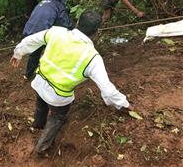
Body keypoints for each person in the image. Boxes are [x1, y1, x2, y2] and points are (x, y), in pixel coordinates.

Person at [10, 10, 132, 156]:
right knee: (57, 117)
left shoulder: (56, 32)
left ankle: (37, 124)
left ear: (78, 22)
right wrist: (124, 104)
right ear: (97, 32)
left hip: (39, 82)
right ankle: (41, 148)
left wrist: (18, 54)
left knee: (41, 102)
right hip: (58, 98)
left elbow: (30, 41)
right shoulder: (93, 58)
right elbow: (107, 90)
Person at [22, 0, 74, 81]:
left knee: (35, 53)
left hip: (29, 31)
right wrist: (72, 28)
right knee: (54, 48)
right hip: (42, 33)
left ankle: (28, 75)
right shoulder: (58, 5)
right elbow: (65, 23)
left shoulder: (41, 3)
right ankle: (51, 72)